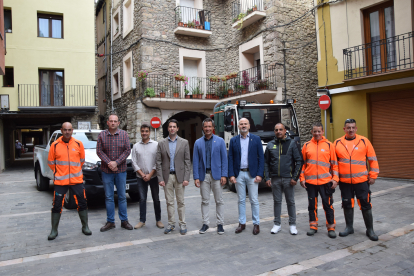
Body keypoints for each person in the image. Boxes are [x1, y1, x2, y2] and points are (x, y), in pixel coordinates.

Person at [335, 118, 380, 241]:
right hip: (344, 183)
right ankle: (349, 227)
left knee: (366, 204)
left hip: (362, 182)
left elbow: (373, 160)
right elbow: (333, 163)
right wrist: (335, 178)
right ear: (344, 129)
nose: (351, 130)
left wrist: (373, 175)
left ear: (356, 128)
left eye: (353, 127)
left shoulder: (364, 141)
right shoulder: (337, 143)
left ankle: (370, 230)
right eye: (348, 127)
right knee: (347, 204)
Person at [47, 122, 91, 240]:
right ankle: (54, 230)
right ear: (61, 130)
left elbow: (81, 160)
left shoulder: (78, 144)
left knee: (82, 202)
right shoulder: (55, 145)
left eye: (69, 130)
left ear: (72, 131)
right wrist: (59, 172)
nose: (67, 132)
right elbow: (51, 162)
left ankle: (85, 226)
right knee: (57, 205)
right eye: (65, 130)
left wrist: (74, 172)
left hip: (76, 180)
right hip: (60, 181)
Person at [299, 122, 339, 238]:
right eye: (315, 131)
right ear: (311, 132)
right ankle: (313, 226)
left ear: (322, 132)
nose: (317, 133)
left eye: (319, 131)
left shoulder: (329, 145)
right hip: (310, 183)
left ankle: (331, 227)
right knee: (312, 205)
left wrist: (335, 179)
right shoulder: (306, 146)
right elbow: (303, 165)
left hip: (326, 182)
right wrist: (302, 178)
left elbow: (334, 165)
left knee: (328, 205)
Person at [264, 123, 302, 235]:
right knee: (277, 202)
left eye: (281, 129)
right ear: (274, 131)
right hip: (275, 179)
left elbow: (299, 160)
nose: (278, 131)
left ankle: (292, 225)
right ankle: (277, 224)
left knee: (290, 202)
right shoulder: (270, 145)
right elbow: (266, 162)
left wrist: (295, 177)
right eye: (276, 130)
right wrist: (267, 177)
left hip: (289, 179)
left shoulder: (292, 143)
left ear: (285, 130)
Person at [97, 114, 133, 232]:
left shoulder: (124, 134)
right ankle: (110, 222)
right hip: (106, 171)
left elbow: (127, 150)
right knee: (109, 197)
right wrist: (109, 163)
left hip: (121, 170)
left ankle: (124, 221)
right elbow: (99, 151)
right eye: (111, 121)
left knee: (122, 196)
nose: (113, 123)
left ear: (118, 123)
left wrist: (116, 162)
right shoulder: (102, 135)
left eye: (115, 121)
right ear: (107, 122)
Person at [228, 118, 264, 235]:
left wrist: (260, 174)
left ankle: (256, 223)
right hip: (239, 174)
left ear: (249, 126)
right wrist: (231, 175)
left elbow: (261, 158)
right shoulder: (233, 140)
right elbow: (231, 159)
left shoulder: (256, 139)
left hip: (252, 174)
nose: (243, 126)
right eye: (241, 124)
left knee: (254, 200)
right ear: (238, 126)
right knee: (241, 200)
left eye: (245, 124)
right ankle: (242, 223)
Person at [193, 118, 228, 235]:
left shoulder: (220, 141)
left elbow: (224, 159)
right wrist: (196, 177)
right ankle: (205, 223)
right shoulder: (198, 142)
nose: (207, 129)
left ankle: (220, 224)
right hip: (204, 176)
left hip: (217, 176)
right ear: (203, 128)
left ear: (213, 128)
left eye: (209, 126)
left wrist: (224, 175)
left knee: (219, 200)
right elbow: (196, 161)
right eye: (205, 127)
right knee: (205, 201)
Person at [156, 119, 191, 235]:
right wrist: (160, 179)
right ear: (168, 129)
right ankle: (171, 224)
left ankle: (183, 224)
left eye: (174, 127)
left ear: (177, 128)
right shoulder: (161, 143)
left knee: (181, 202)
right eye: (170, 126)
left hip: (180, 177)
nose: (172, 128)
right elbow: (158, 162)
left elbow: (187, 161)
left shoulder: (184, 142)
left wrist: (187, 178)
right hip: (167, 177)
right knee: (169, 202)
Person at [131, 123, 164, 230]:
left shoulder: (156, 145)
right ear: (140, 132)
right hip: (140, 177)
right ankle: (142, 221)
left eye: (146, 131)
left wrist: (150, 175)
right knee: (142, 199)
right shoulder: (136, 146)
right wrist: (142, 174)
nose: (144, 133)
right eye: (142, 131)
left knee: (156, 198)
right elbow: (134, 162)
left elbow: (158, 161)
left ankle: (158, 220)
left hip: (153, 176)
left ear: (149, 132)